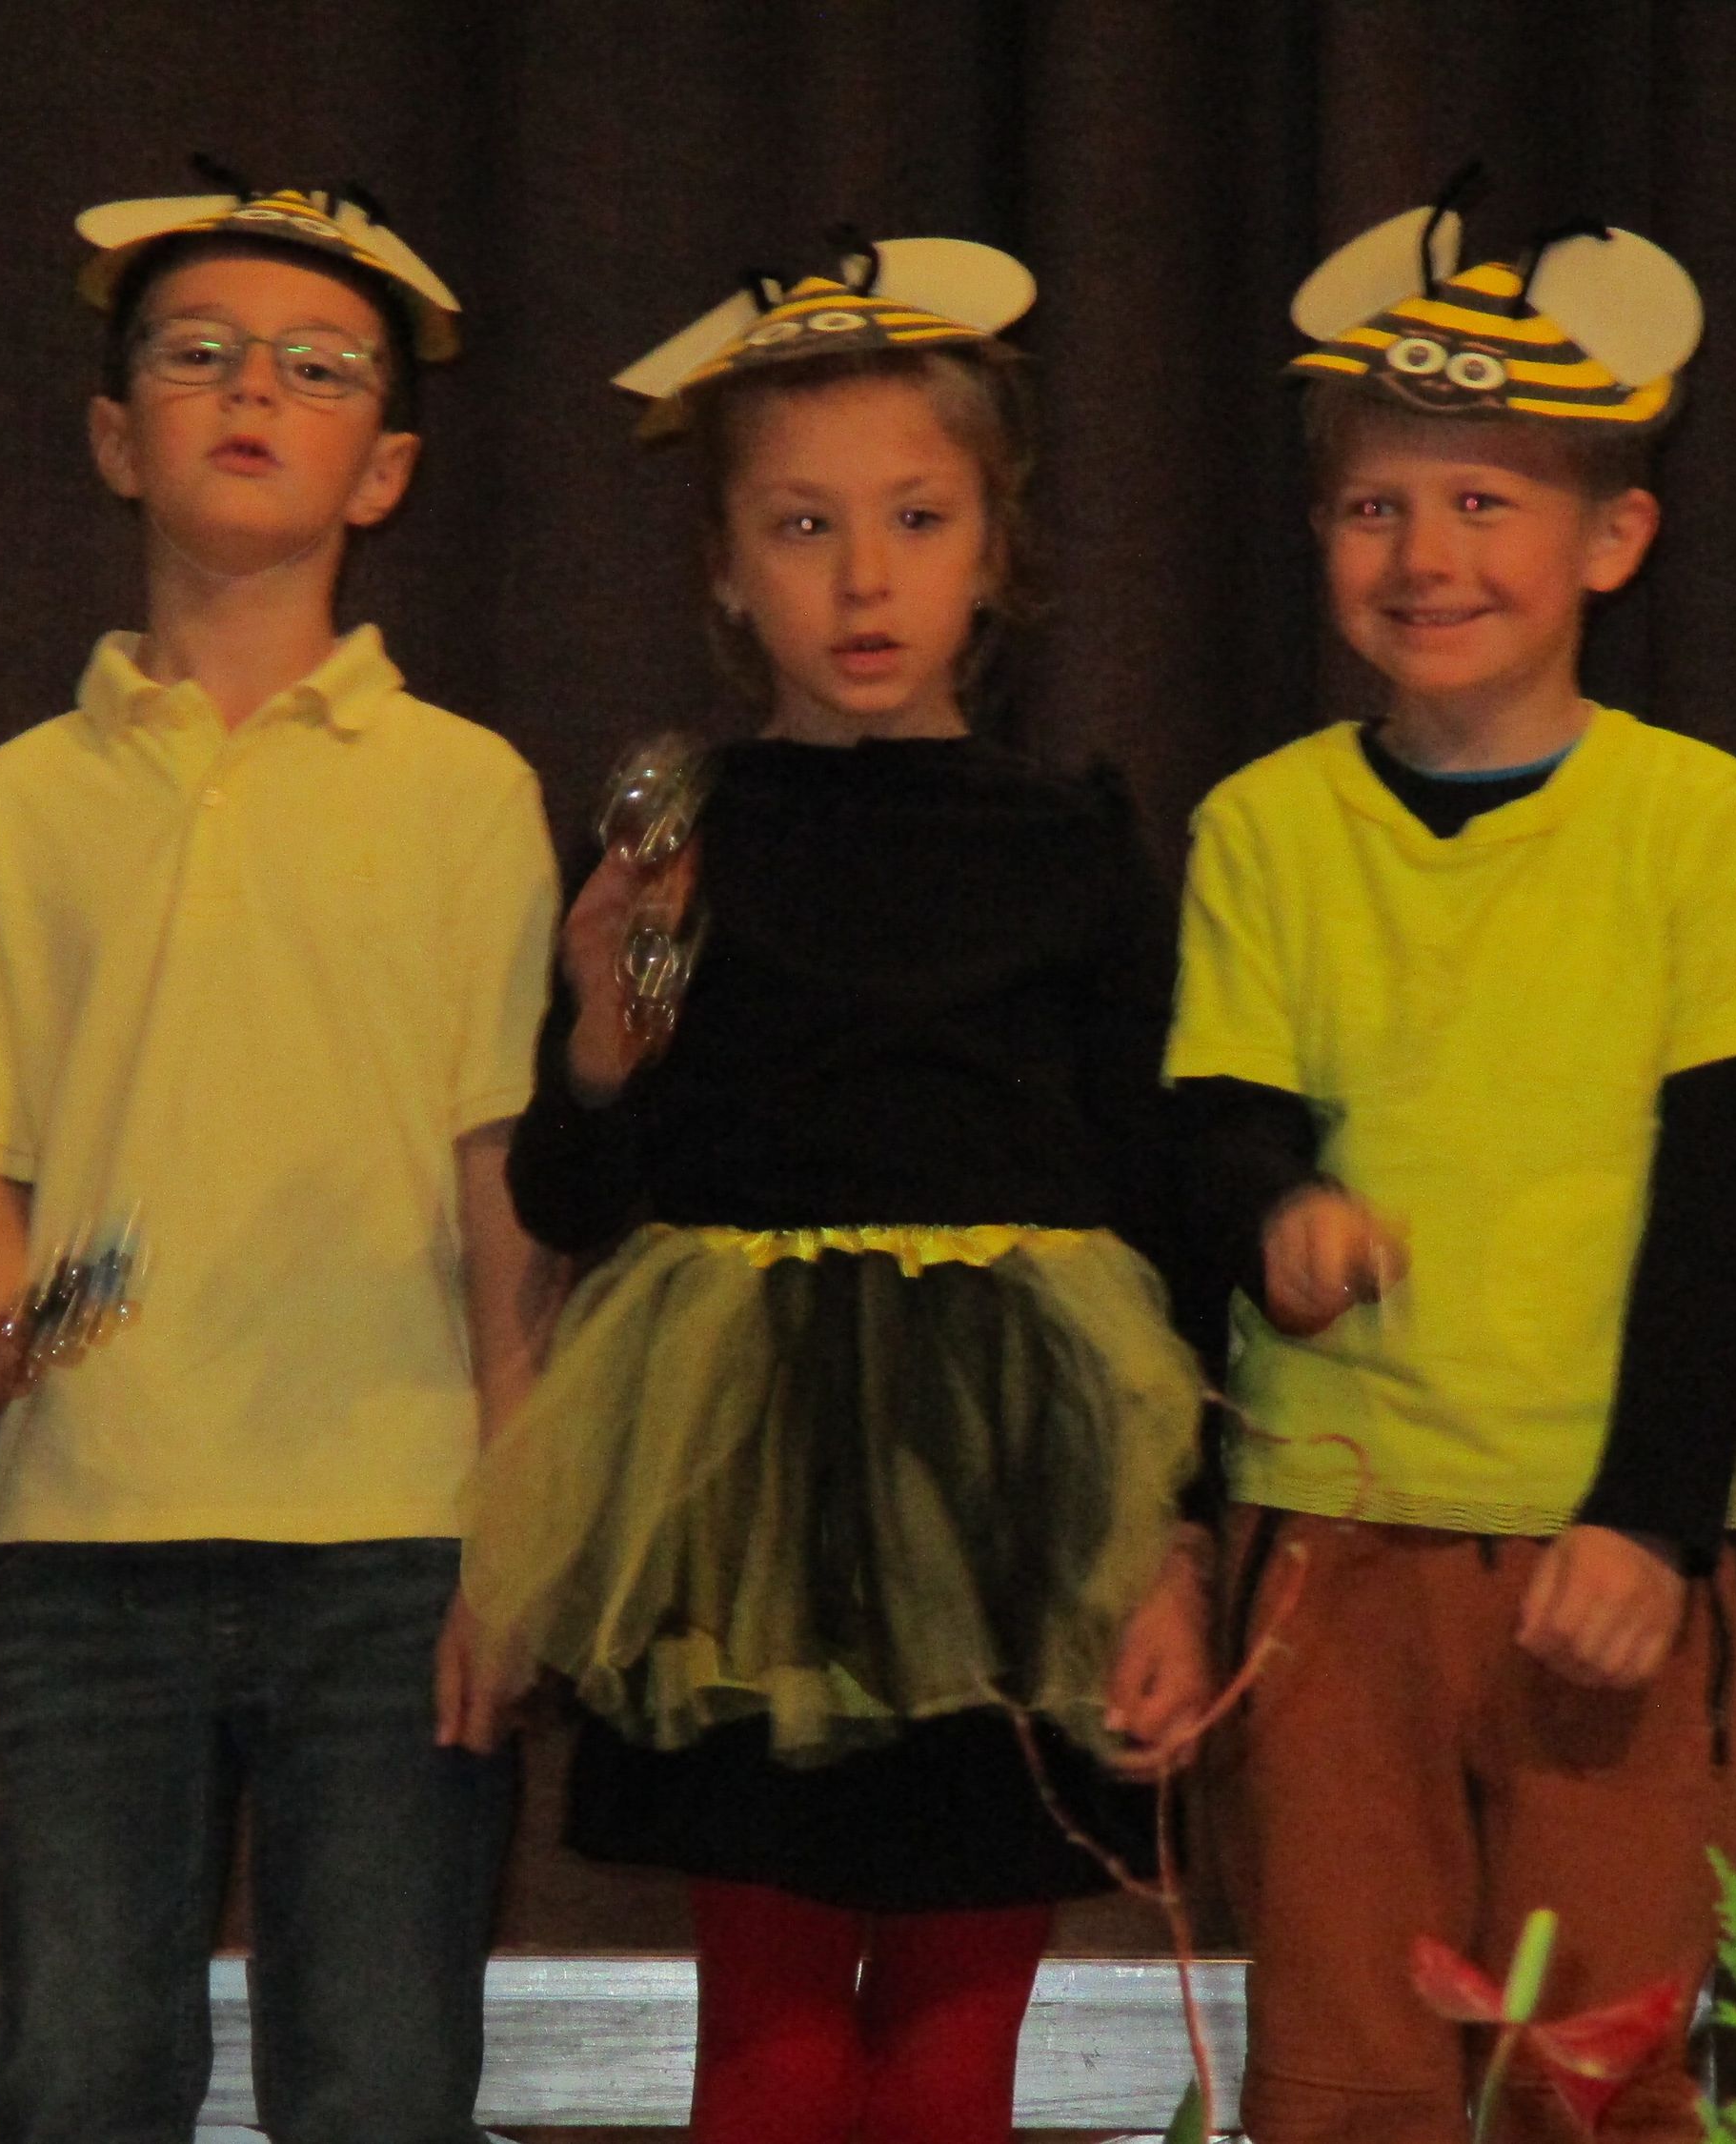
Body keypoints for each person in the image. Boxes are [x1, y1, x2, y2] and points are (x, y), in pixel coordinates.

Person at [462, 235, 1207, 2144]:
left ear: (996, 549)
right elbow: (575, 1188)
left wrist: (1177, 1545)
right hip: (745, 1500)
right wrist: (603, 1027)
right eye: (802, 526)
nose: (864, 579)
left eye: (915, 519)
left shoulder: (1076, 842)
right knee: (771, 2051)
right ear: (724, 567)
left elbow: (1158, 1199)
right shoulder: (682, 839)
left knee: (957, 2053)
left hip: (1016, 1497)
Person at [0, 173, 558, 2144]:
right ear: (117, 436)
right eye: (198, 354)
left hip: (395, 1535)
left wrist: (513, 1524)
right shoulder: (19, 798)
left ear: (388, 467)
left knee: (383, 2083)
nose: (253, 390)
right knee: (79, 2075)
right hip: (90, 1533)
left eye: (317, 367)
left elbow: (506, 1177)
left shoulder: (467, 789)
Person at [1141, 190, 1736, 2143]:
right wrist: (1276, 1211)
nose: (1425, 555)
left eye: (1484, 504)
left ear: (1614, 538)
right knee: (1345, 2066)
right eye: (1375, 507)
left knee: (1598, 2066)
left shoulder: (1700, 823)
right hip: (1332, 1552)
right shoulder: (1264, 827)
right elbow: (1210, 1133)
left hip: (1601, 1549)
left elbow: (1727, 1203)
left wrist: (1652, 1522)